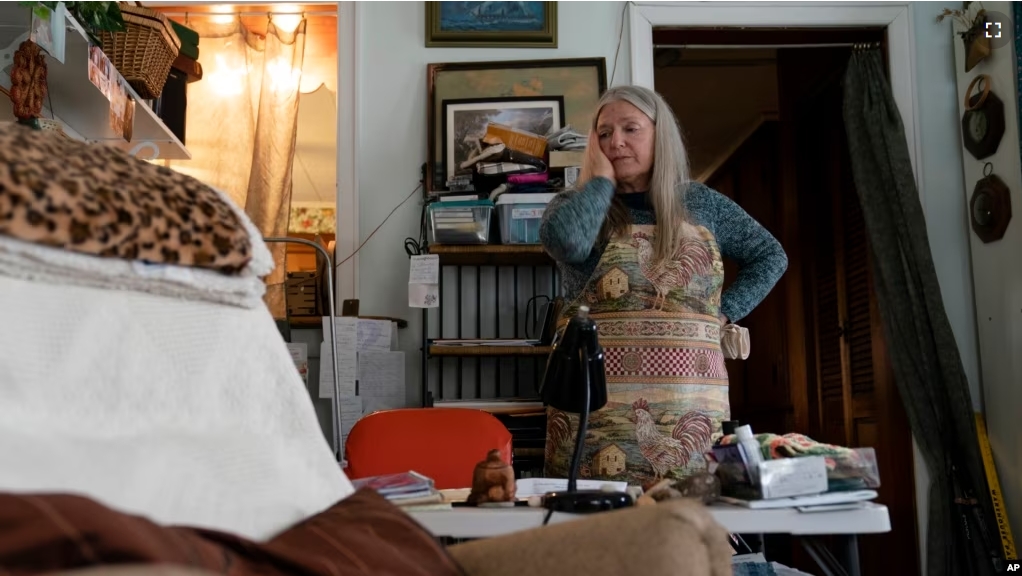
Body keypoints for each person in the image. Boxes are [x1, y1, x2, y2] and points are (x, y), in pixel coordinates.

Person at [540, 85, 788, 487]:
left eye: (630, 129)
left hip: (688, 404)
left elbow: (771, 255)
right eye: (603, 133)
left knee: (685, 530)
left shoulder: (703, 204)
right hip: (593, 409)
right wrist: (600, 182)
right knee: (594, 534)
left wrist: (722, 312)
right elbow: (567, 242)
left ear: (660, 135)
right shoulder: (577, 205)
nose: (615, 141)